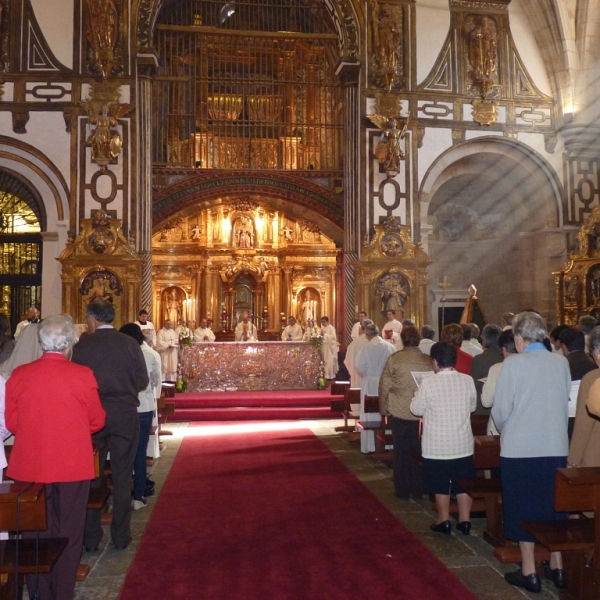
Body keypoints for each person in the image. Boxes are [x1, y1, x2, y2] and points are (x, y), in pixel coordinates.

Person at [7, 315, 106, 600]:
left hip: (30, 465)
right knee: (69, 531)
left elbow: (13, 423)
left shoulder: (21, 375)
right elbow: (97, 420)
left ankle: (39, 591)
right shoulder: (82, 375)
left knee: (34, 532)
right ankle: (62, 592)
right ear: (70, 344)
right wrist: (71, 430)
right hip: (72, 464)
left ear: (41, 343)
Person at [492, 311, 570, 593]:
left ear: (520, 338)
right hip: (554, 445)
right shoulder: (561, 363)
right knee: (553, 505)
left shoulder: (513, 364)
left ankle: (529, 572)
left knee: (522, 507)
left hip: (520, 449)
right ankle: (557, 566)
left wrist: (511, 428)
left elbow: (500, 412)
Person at [72, 298, 149, 552]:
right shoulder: (129, 344)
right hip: (125, 415)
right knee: (122, 476)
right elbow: (142, 379)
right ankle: (121, 536)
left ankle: (91, 537)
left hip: (92, 417)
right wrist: (124, 391)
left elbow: (75, 382)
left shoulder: (83, 346)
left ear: (92, 318)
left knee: (93, 477)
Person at [410, 341, 476, 535]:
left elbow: (416, 409)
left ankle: (444, 520)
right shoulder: (467, 380)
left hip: (437, 445)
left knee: (439, 482)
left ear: (436, 362)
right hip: (462, 443)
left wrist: (416, 395)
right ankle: (465, 520)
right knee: (463, 483)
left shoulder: (428, 383)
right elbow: (472, 407)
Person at [379, 326, 434, 499]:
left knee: (401, 451)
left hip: (400, 409)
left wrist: (383, 407)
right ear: (417, 340)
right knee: (420, 450)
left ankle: (402, 489)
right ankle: (419, 488)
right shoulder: (427, 359)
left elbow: (384, 385)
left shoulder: (395, 359)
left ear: (403, 339)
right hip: (423, 413)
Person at [119, 323, 161, 511]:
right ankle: (139, 495)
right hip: (143, 406)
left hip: (125, 407)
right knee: (140, 452)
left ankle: (124, 494)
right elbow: (155, 380)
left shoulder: (121, 354)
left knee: (124, 451)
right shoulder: (151, 354)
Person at [355, 323, 395, 453]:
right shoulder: (390, 347)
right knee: (384, 412)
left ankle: (370, 446)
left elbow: (359, 366)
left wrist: (367, 374)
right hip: (387, 382)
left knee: (370, 413)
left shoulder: (367, 347)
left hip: (371, 382)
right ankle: (387, 444)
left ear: (367, 335)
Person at [569, 326, 600, 470]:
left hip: (596, 457)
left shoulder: (592, 378)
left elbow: (583, 424)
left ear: (597, 352)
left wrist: (573, 459)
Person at [559, 327, 597, 437]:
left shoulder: (563, 366)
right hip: (591, 415)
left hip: (569, 417)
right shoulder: (593, 364)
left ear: (564, 347)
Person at [481, 329, 517, 435]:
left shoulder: (497, 369)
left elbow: (486, 402)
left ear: (504, 349)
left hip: (499, 428)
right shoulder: (530, 367)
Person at [469, 324, 503, 413]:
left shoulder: (478, 359)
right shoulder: (506, 358)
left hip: (482, 410)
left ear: (484, 340)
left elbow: (474, 386)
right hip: (501, 408)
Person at [344, 319, 373, 389]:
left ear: (360, 329)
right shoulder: (376, 343)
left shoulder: (353, 344)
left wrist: (353, 373)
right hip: (373, 379)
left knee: (358, 398)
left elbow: (347, 362)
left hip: (356, 378)